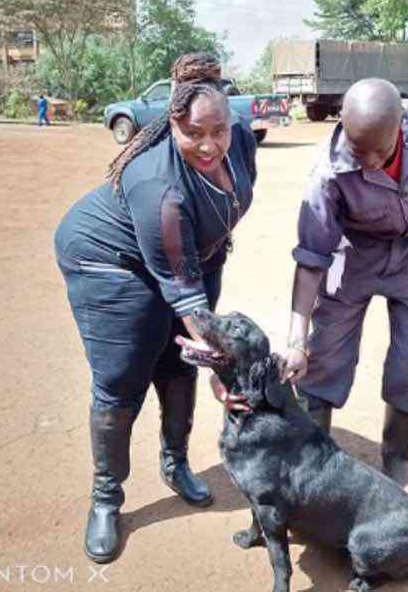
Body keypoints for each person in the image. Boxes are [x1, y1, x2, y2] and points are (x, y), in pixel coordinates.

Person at [54, 52, 257, 564]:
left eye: (219, 130)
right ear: (172, 124)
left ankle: (176, 461)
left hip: (191, 255)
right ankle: (106, 497)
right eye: (194, 133)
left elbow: (201, 246)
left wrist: (204, 353)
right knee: (124, 373)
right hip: (110, 260)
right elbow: (181, 289)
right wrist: (221, 364)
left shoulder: (241, 143)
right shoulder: (156, 182)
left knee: (180, 359)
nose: (209, 145)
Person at [280, 78, 408, 499]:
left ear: (401, 126)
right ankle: (314, 464)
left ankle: (397, 459)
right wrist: (296, 339)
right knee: (325, 355)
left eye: (380, 151)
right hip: (355, 252)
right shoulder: (328, 174)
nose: (367, 161)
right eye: (357, 149)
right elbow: (311, 259)